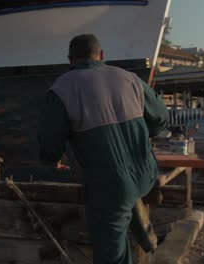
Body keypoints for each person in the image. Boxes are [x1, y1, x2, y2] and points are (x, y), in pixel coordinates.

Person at [38, 34, 169, 264]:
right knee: (127, 192)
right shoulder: (129, 78)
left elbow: (49, 139)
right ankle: (148, 241)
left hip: (111, 185)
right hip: (146, 172)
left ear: (70, 60)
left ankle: (137, 234)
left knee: (111, 255)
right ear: (102, 55)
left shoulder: (61, 88)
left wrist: (52, 159)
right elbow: (160, 118)